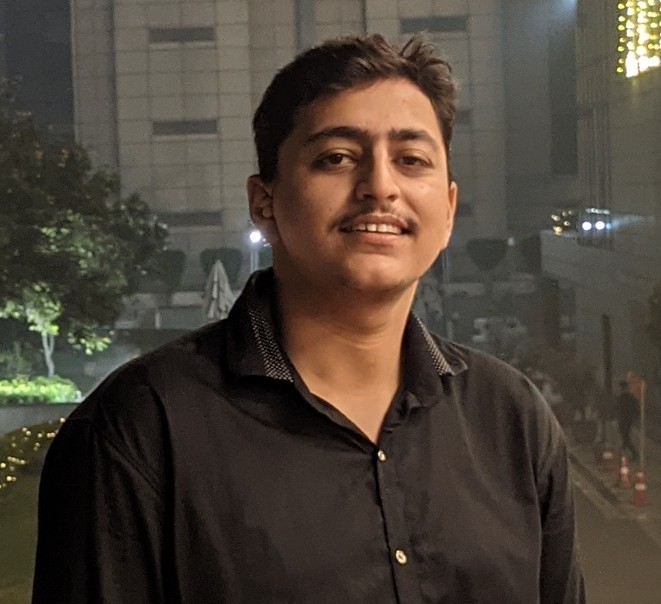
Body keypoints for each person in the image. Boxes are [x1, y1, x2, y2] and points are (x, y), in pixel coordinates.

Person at [32, 34, 585, 603]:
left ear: (447, 211)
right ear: (263, 202)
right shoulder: (141, 429)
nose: (380, 187)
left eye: (411, 160)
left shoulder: (512, 419)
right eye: (336, 158)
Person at [616, 379, 640, 461]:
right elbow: (636, 408)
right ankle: (624, 452)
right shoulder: (630, 397)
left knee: (625, 437)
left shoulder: (622, 397)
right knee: (625, 436)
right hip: (628, 420)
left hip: (624, 420)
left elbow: (618, 408)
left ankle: (634, 453)